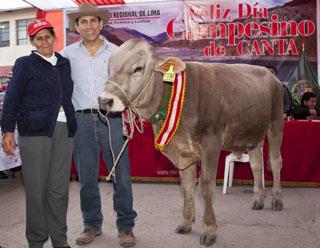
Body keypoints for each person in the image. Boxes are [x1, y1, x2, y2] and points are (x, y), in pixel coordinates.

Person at [60, 3, 137, 247]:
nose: (89, 26)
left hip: (112, 119)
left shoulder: (117, 52)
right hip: (81, 120)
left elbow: (129, 85)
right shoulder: (67, 55)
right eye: (83, 22)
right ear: (77, 27)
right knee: (86, 178)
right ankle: (92, 225)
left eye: (93, 20)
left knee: (121, 176)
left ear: (101, 24)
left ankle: (126, 227)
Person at [1, 19, 76, 248]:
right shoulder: (25, 64)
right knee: (35, 189)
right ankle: (36, 240)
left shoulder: (64, 64)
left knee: (59, 189)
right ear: (32, 42)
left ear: (54, 37)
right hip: (34, 131)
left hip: (64, 130)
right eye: (38, 38)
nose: (44, 42)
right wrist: (7, 130)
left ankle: (59, 240)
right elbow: (12, 99)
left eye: (48, 36)